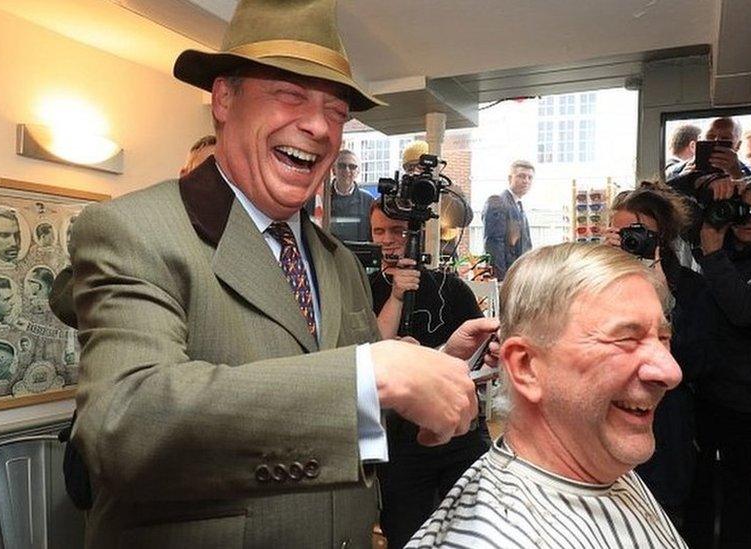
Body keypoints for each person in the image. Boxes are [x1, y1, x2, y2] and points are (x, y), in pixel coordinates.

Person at [65, 1, 494, 547]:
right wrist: (376, 375)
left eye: (337, 111)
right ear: (223, 98)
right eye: (289, 95)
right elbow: (122, 427)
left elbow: (340, 413)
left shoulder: (336, 259)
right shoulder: (133, 230)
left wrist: (433, 375)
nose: (318, 126)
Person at [407, 243, 686, 548]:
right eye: (626, 339)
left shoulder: (596, 461)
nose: (671, 372)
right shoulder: (498, 537)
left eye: (663, 337)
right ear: (526, 366)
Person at [681, 173, 751, 549]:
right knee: (696, 480)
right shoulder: (726, 240)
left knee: (738, 489)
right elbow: (675, 209)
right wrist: (710, 184)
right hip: (704, 385)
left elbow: (745, 311)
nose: (750, 219)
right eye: (745, 209)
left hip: (746, 396)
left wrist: (713, 254)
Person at [367, 198, 490, 547]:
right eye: (380, 231)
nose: (389, 239)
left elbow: (477, 360)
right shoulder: (364, 290)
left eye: (399, 231)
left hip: (459, 433)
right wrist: (396, 296)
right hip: (398, 440)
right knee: (406, 531)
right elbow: (368, 351)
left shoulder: (452, 290)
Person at [603, 184, 709, 527]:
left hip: (663, 430)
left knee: (659, 521)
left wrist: (663, 301)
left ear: (663, 238)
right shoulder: (592, 283)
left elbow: (694, 362)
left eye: (639, 234)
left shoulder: (689, 287)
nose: (628, 241)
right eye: (620, 233)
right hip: (602, 426)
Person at [483, 160, 534, 279]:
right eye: (521, 176)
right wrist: (502, 280)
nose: (526, 181)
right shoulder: (497, 202)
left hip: (519, 275)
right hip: (506, 276)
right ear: (510, 178)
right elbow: (494, 245)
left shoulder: (518, 205)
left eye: (530, 177)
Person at [667, 117, 751, 181]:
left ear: (738, 145)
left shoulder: (749, 174)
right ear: (699, 141)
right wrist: (684, 179)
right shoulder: (676, 172)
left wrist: (737, 176)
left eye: (725, 138)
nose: (716, 142)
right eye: (710, 137)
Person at [328, 149, 375, 242]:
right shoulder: (319, 199)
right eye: (342, 166)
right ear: (333, 170)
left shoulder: (368, 201)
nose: (347, 170)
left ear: (358, 172)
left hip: (359, 254)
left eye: (352, 166)